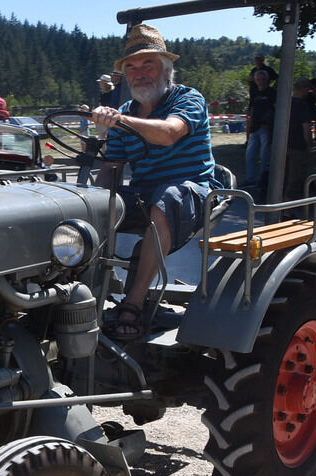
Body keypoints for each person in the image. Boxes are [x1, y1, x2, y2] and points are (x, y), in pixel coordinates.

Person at [92, 23, 218, 341]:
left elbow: (168, 133)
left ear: (166, 68)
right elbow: (112, 167)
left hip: (192, 190)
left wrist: (119, 121)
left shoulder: (188, 99)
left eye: (148, 63)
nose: (139, 72)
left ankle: (132, 305)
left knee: (165, 199)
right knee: (83, 205)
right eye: (132, 66)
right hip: (144, 193)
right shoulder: (126, 111)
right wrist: (93, 200)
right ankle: (81, 295)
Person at [285, 78, 314, 207]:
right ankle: (288, 208)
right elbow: (306, 128)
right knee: (294, 178)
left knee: (282, 177)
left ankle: (279, 204)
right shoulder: (303, 105)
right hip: (297, 146)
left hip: (283, 145)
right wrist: (309, 144)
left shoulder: (285, 103)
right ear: (304, 89)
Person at [245, 69, 276, 187]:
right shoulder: (254, 92)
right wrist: (249, 127)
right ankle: (250, 179)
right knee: (250, 155)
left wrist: (270, 123)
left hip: (266, 128)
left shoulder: (272, 92)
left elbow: (276, 109)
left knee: (264, 155)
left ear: (267, 80)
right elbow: (251, 111)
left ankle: (263, 180)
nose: (260, 81)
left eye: (262, 79)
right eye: (258, 79)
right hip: (254, 128)